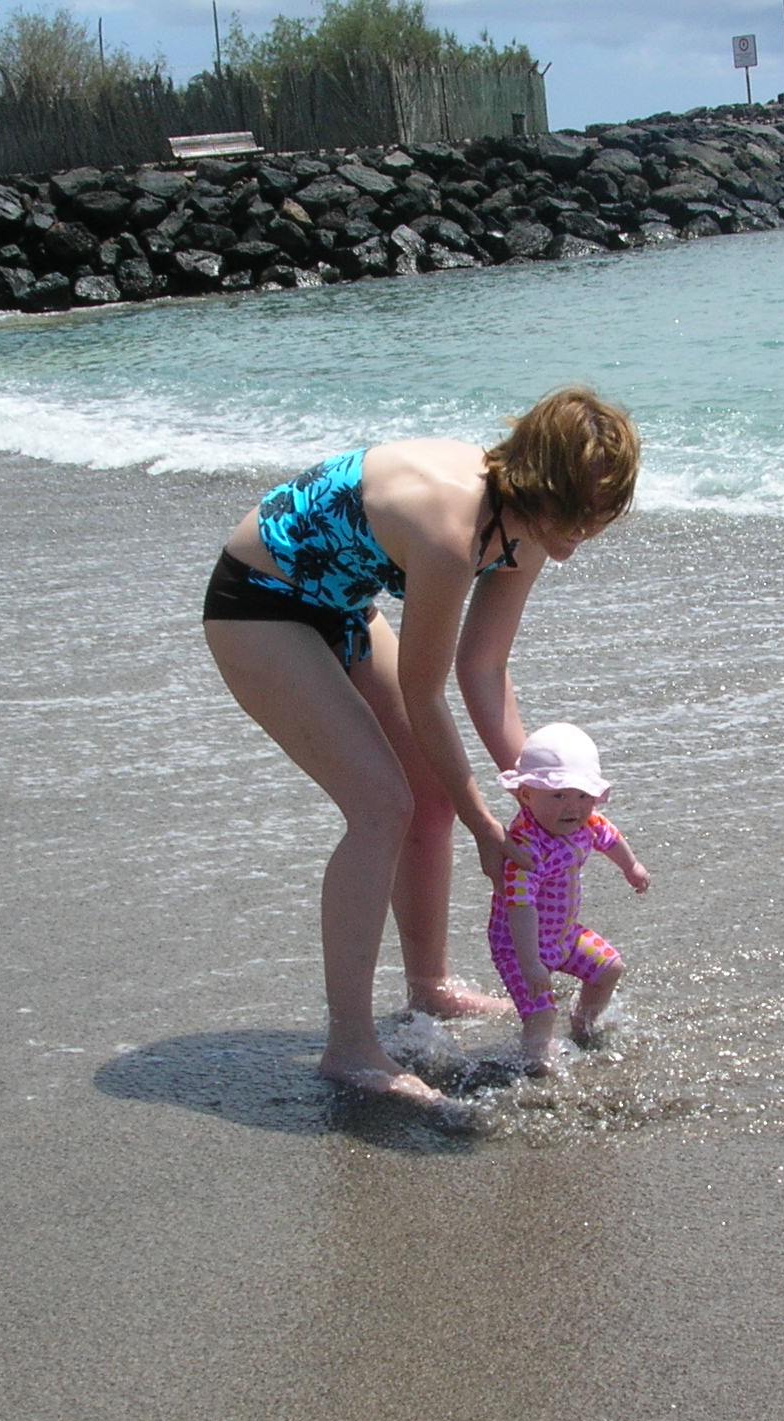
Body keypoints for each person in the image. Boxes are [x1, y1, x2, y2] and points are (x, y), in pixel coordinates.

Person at [203, 386, 642, 1106]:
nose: (584, 533)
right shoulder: (452, 526)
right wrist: (485, 826)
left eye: (601, 516)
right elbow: (425, 689)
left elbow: (484, 669)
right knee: (381, 804)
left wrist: (545, 798)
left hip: (341, 605)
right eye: (578, 514)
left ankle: (429, 985)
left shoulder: (526, 522)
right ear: (543, 483)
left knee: (431, 794)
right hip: (260, 602)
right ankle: (350, 1046)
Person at [486, 723, 650, 1072]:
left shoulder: (586, 823)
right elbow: (520, 907)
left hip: (564, 934)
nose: (572, 807)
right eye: (558, 796)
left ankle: (583, 1026)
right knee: (542, 1011)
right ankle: (535, 1067)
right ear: (526, 794)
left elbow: (610, 836)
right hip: (518, 944)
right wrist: (531, 963)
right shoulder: (525, 848)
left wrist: (631, 866)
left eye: (583, 796)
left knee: (609, 968)